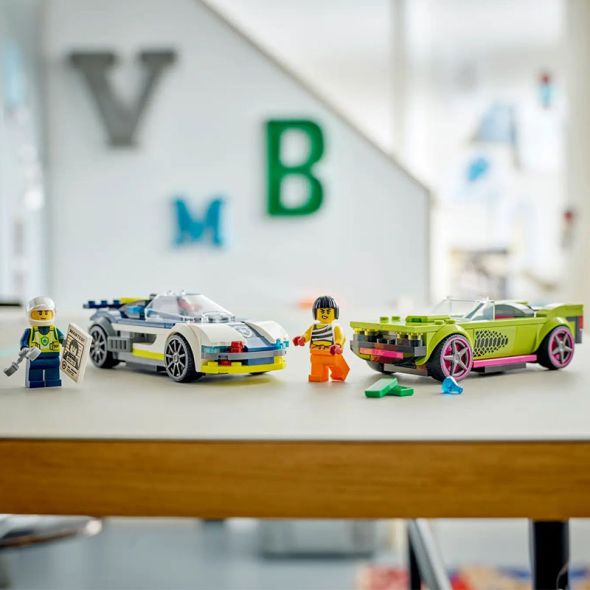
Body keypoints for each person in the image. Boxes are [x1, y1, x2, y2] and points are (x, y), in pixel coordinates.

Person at [292, 295, 350, 383]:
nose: (325, 314)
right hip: (316, 353)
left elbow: (341, 337)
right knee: (317, 367)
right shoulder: (314, 327)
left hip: (331, 353)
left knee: (339, 370)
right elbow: (308, 334)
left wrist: (338, 345)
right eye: (322, 311)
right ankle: (317, 376)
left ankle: (339, 374)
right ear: (316, 313)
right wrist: (302, 339)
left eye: (328, 311)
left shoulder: (335, 327)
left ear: (335, 313)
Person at [20, 296, 64, 388]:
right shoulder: (30, 331)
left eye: (46, 313)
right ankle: (35, 382)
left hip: (53, 357)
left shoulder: (55, 331)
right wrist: (24, 347)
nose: (43, 316)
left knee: (53, 372)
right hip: (35, 357)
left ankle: (52, 381)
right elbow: (24, 342)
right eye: (39, 313)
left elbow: (62, 340)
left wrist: (67, 343)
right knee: (35, 373)